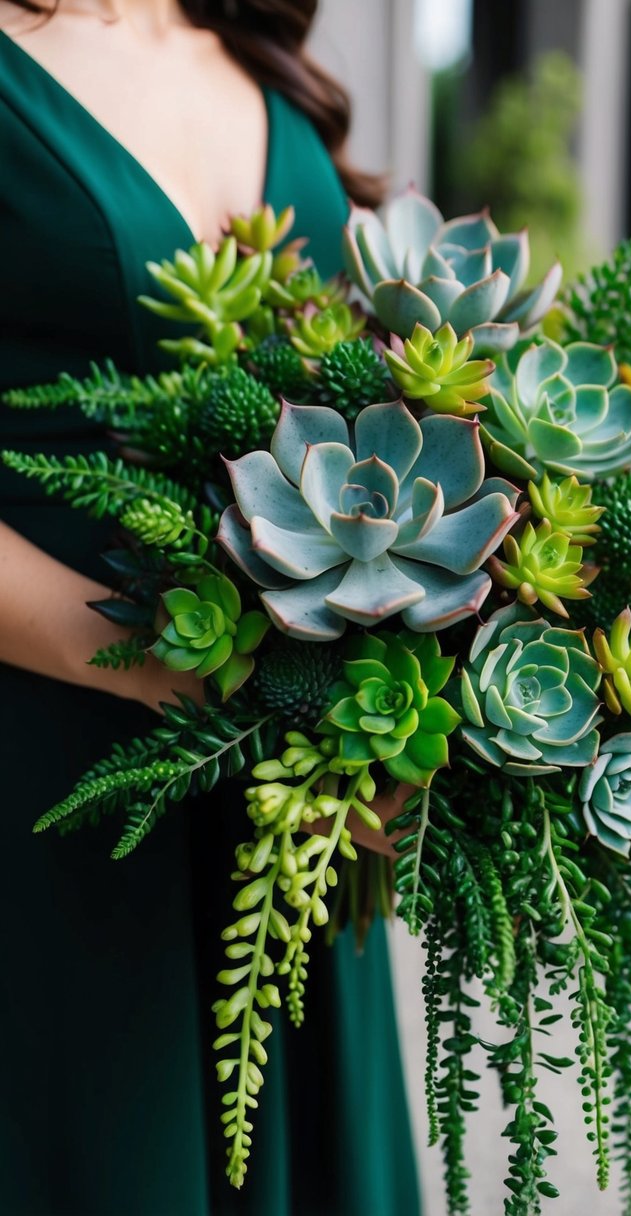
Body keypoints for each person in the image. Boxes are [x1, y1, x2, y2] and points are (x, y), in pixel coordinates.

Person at [0, 1, 422, 1212]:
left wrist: (416, 703)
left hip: (283, 808)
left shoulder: (251, 47)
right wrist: (175, 670)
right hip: (53, 789)